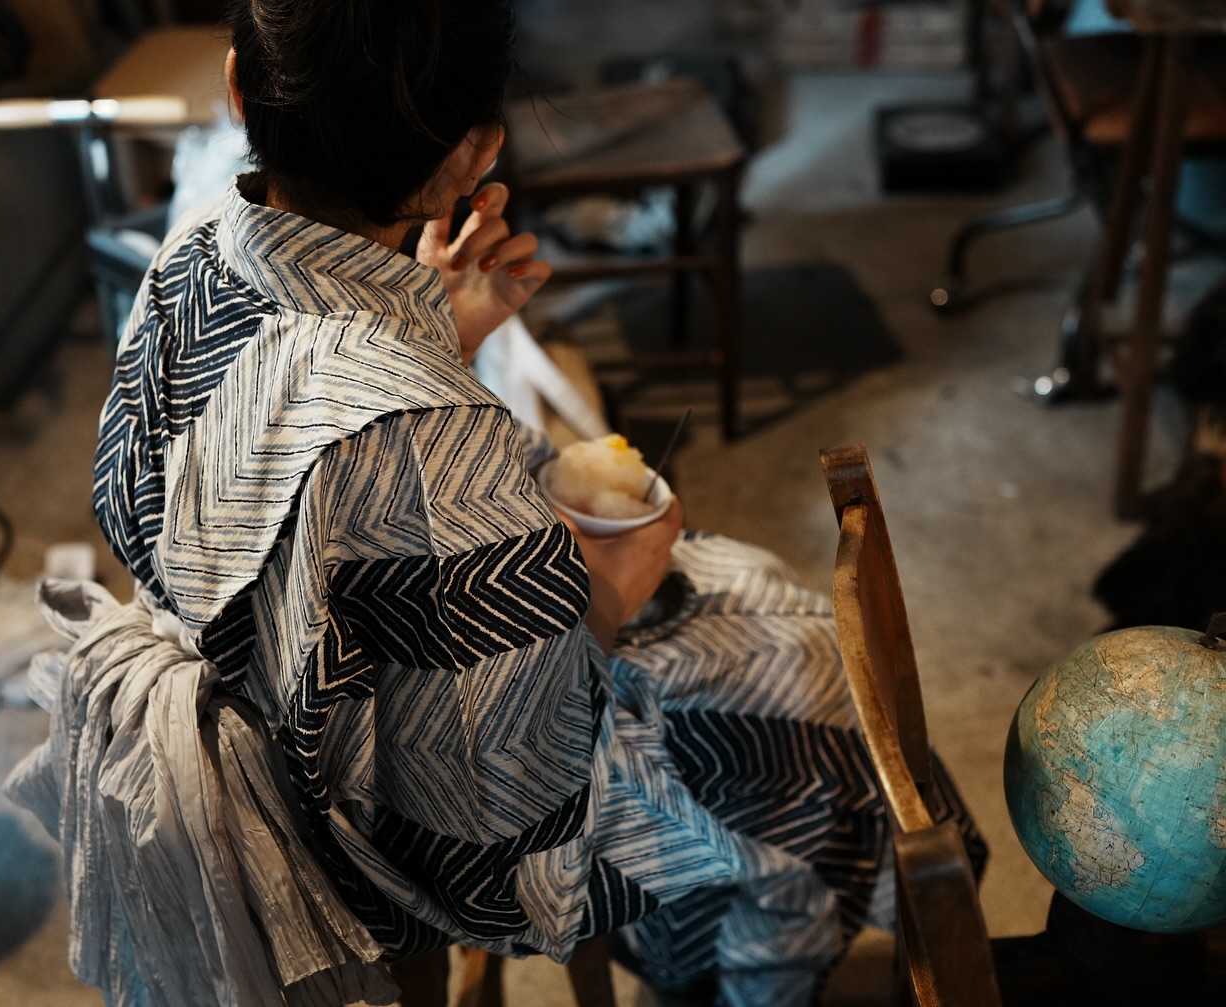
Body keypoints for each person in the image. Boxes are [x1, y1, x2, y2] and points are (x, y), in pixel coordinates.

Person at [81, 1, 984, 1004]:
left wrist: (431, 330)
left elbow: (265, 477)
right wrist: (604, 599)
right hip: (367, 835)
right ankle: (756, 971)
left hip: (259, 709)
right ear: (471, 158)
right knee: (813, 693)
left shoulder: (190, 259)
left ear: (239, 89)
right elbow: (499, 807)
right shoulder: (422, 426)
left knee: (768, 617)